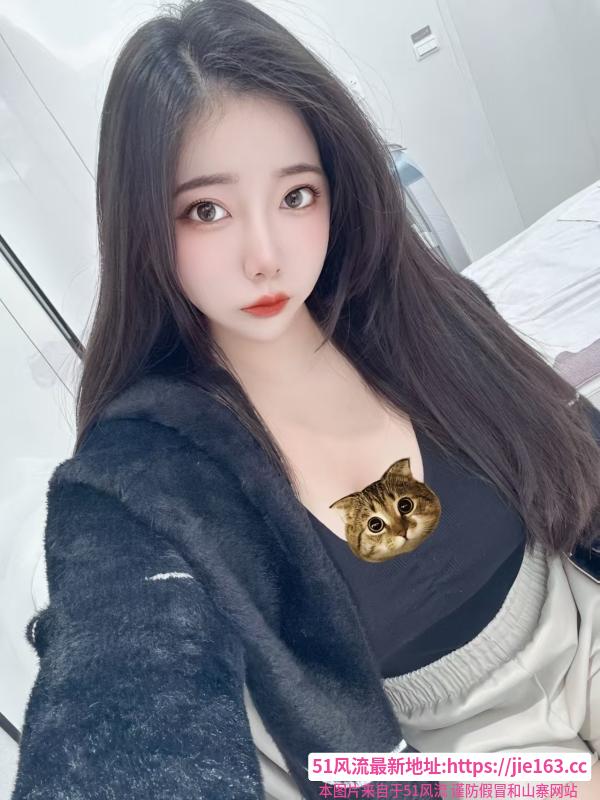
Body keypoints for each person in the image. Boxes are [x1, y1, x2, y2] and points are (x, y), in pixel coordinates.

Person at [9, 1, 600, 798]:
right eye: (207, 210)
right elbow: (121, 715)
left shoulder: (422, 317)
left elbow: (575, 461)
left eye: (295, 196)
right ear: (143, 221)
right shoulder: (143, 483)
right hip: (452, 767)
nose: (266, 256)